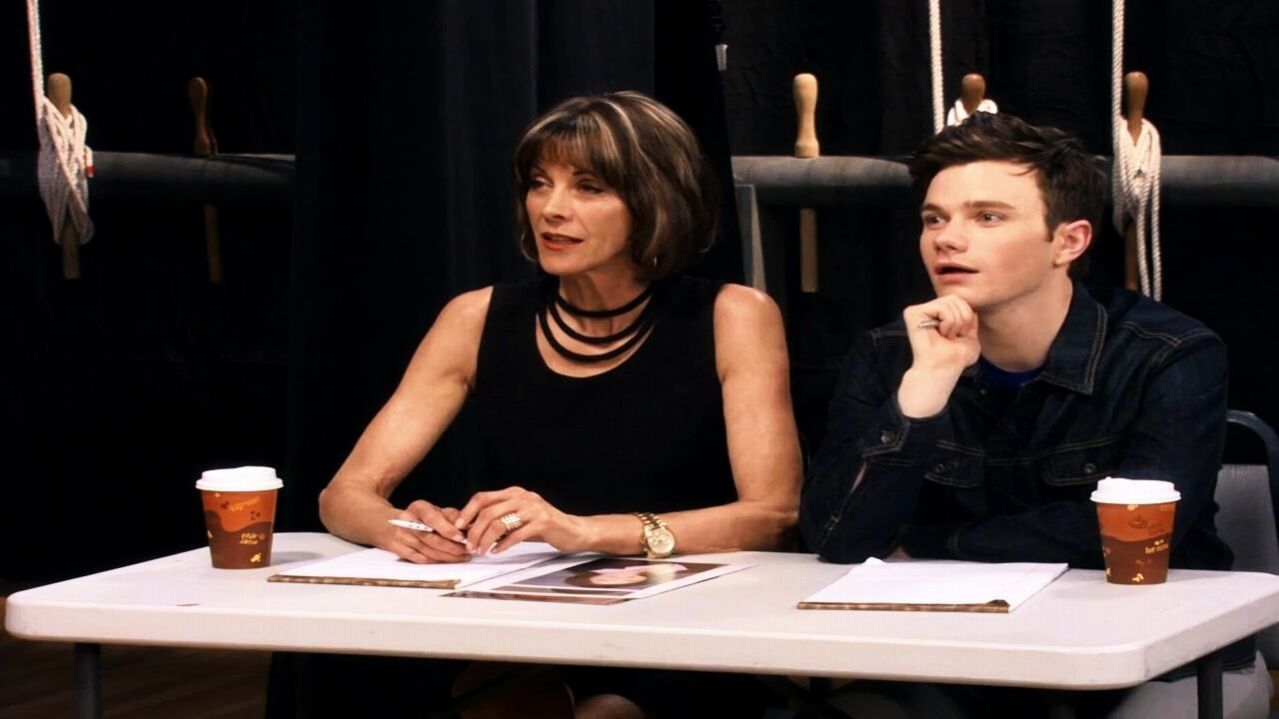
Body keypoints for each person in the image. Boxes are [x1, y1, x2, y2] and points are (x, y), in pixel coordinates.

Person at [315, 91, 802, 718]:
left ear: (654, 200)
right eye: (539, 184)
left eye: (588, 187)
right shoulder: (475, 318)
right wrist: (404, 531)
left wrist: (584, 532)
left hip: (691, 621)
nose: (551, 208)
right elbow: (343, 495)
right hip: (523, 620)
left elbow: (774, 515)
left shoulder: (733, 316)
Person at [799, 112, 1271, 718]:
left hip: (1163, 658)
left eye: (987, 217)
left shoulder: (1169, 353)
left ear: (1069, 242)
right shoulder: (889, 354)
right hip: (960, 659)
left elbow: (1135, 531)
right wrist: (926, 387)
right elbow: (836, 539)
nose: (947, 239)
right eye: (935, 219)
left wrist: (925, 544)